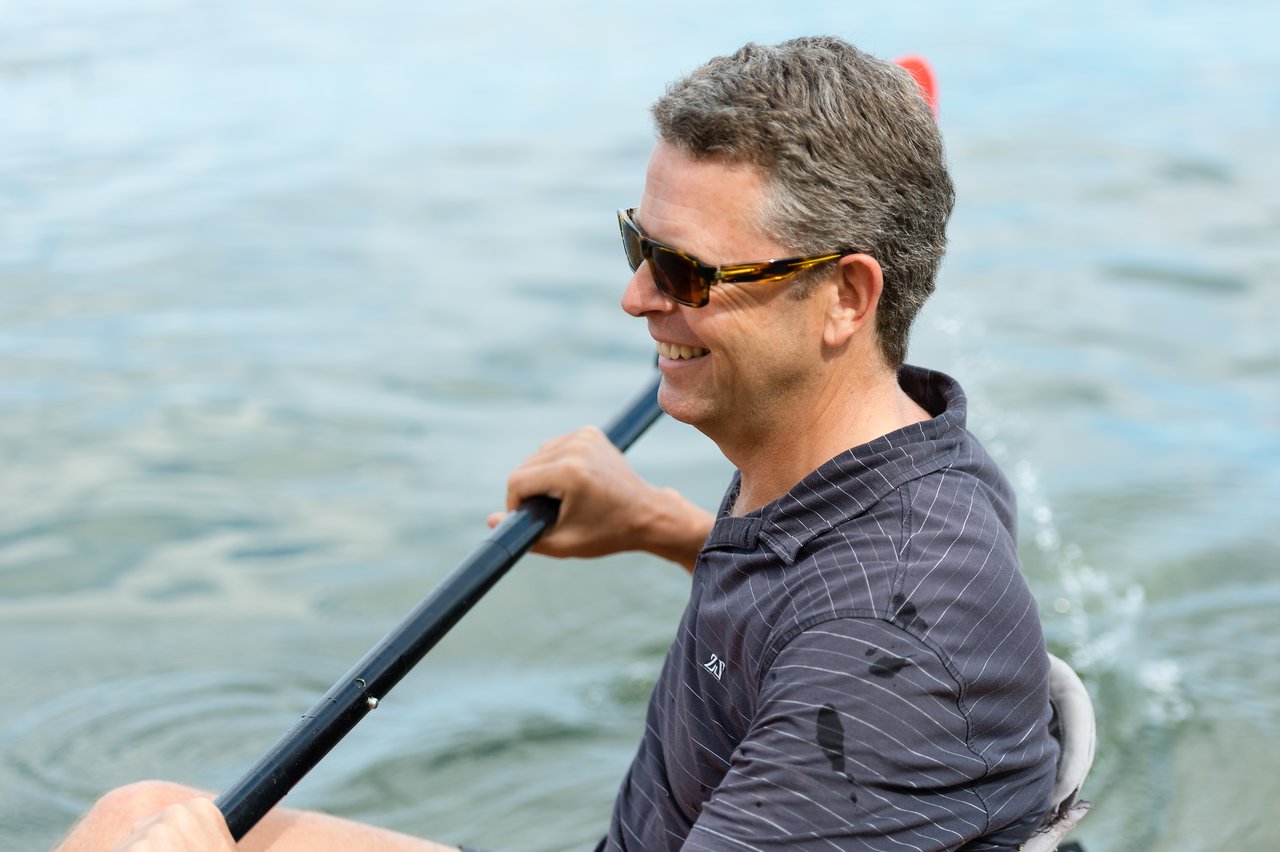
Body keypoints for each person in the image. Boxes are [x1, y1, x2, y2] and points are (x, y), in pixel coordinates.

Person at [56, 36, 1059, 851]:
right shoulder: (886, 453)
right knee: (135, 819)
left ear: (843, 297)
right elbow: (813, 598)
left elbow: (855, 636)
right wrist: (658, 525)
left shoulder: (884, 646)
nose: (636, 297)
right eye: (639, 245)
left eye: (685, 272)